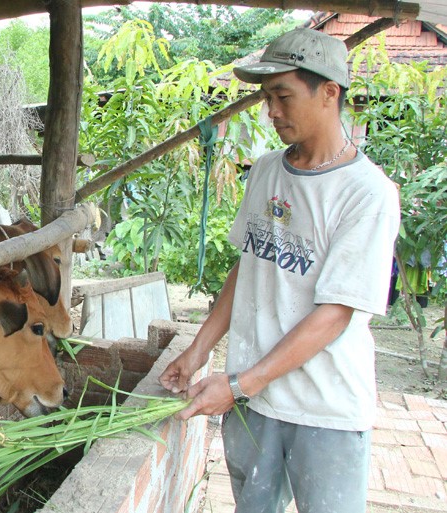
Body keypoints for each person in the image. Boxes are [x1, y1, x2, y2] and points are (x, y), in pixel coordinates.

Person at [159, 28, 400, 513]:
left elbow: (335, 314)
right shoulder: (268, 170)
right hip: (254, 404)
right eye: (268, 97)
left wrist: (240, 384)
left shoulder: (367, 193)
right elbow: (248, 266)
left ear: (329, 92)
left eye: (283, 96)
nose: (271, 111)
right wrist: (199, 350)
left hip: (324, 408)